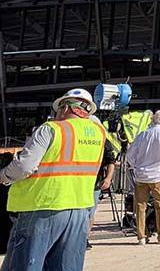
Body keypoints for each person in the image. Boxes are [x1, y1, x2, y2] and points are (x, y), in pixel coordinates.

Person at [0, 88, 107, 271]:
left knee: (26, 264)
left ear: (65, 108)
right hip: (80, 209)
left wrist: (3, 176)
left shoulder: (51, 129)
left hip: (42, 207)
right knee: (66, 266)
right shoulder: (100, 133)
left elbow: (24, 166)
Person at [126, 109, 160, 245]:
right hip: (159, 174)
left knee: (140, 206)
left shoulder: (142, 135)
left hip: (141, 175)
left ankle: (141, 236)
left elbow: (130, 154)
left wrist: (136, 166)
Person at [88, 119, 118, 250]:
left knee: (90, 213)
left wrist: (108, 178)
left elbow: (111, 160)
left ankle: (85, 238)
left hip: (95, 183)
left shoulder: (103, 140)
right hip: (79, 182)